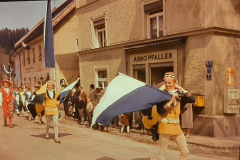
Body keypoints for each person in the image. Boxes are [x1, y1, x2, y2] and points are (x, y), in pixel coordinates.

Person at [153, 72, 195, 160]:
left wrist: (180, 88)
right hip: (165, 125)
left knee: (185, 152)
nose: (167, 85)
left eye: (169, 82)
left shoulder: (179, 94)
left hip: (176, 126)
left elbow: (192, 99)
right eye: (166, 83)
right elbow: (160, 112)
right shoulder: (161, 95)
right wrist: (171, 102)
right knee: (163, 153)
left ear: (174, 83)